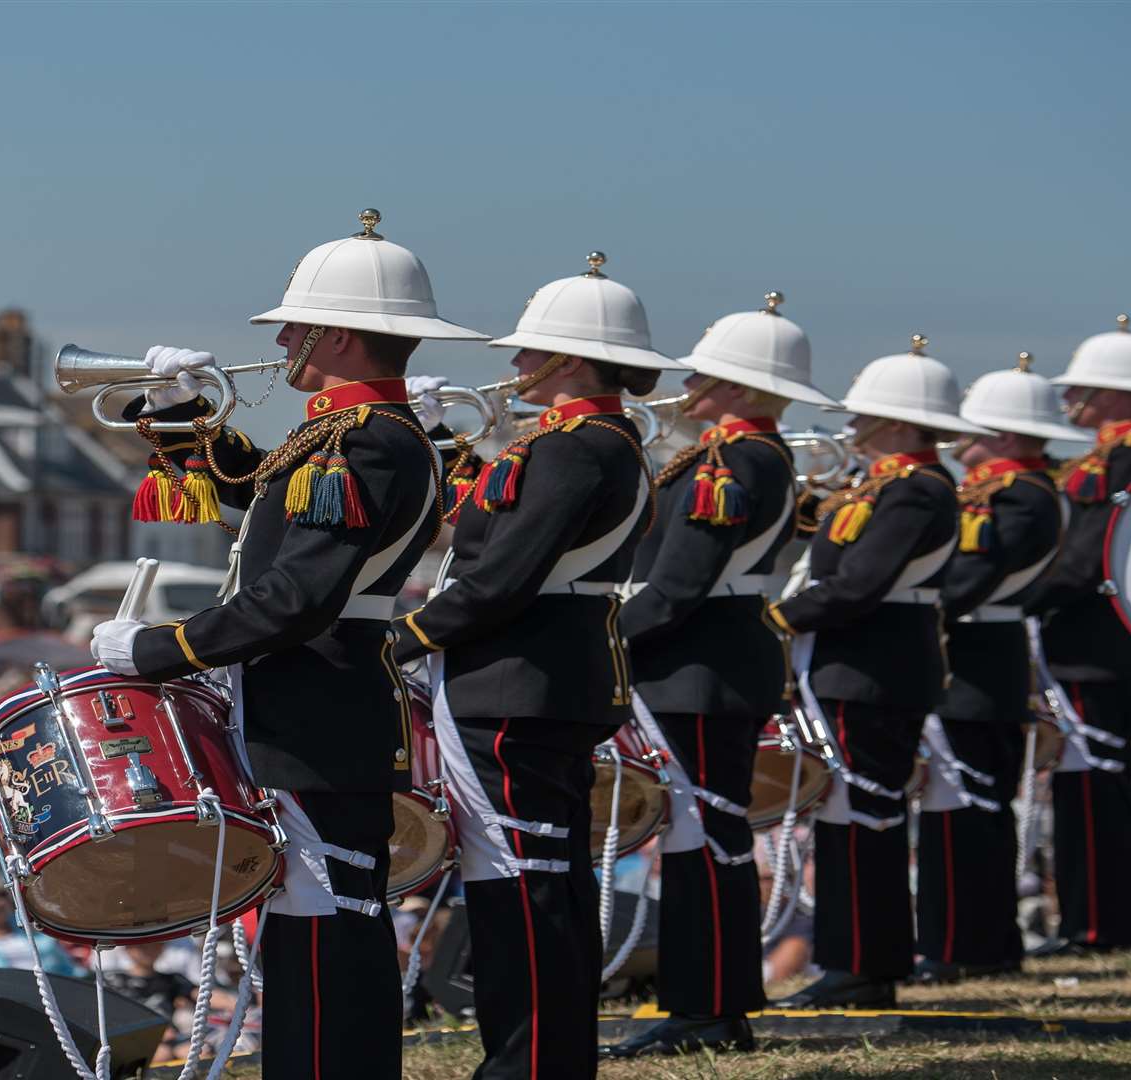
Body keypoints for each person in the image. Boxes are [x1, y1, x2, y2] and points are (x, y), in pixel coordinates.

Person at [89, 209, 476, 1080]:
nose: (286, 339)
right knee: (308, 913)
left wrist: (159, 650)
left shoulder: (372, 441)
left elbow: (296, 597)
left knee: (333, 914)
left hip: (322, 703)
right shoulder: (342, 434)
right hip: (309, 704)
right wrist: (183, 411)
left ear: (338, 335)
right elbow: (251, 497)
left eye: (297, 325)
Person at [392, 253, 664, 1078]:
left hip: (518, 676)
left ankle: (533, 1061)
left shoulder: (581, 446)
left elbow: (501, 578)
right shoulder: (574, 441)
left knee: (524, 879)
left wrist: (400, 639)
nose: (515, 366)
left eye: (530, 350)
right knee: (530, 873)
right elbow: (487, 540)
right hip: (529, 673)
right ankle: (536, 1056)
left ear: (570, 359)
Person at [602, 291, 835, 1058]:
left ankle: (705, 1007)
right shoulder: (741, 453)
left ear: (733, 385)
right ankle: (716, 1003)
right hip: (709, 658)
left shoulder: (733, 460)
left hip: (696, 661)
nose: (688, 386)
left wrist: (604, 644)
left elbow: (674, 590)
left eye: (702, 375)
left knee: (700, 837)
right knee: (708, 834)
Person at [765, 334, 983, 1007]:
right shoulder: (887, 483)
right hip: (855, 662)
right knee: (847, 816)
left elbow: (858, 585)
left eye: (864, 416)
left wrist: (773, 620)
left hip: (872, 663)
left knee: (863, 817)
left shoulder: (917, 489)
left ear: (895, 421)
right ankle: (853, 961)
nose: (853, 426)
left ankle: (861, 966)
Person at [1029, 315, 1131, 956]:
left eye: (1085, 390)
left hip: (1099, 646)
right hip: (1078, 645)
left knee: (1096, 789)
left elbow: (1091, 555)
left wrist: (1017, 597)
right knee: (1077, 789)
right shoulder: (1104, 455)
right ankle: (1082, 921)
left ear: (1119, 394)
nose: (1071, 401)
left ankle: (1097, 927)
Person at [912, 353, 1079, 983]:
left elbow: (965, 581)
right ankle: (972, 943)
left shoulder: (1018, 497)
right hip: (977, 656)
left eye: (972, 432)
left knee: (968, 816)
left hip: (978, 661)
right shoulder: (1010, 491)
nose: (960, 444)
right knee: (960, 814)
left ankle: (965, 947)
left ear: (1004, 436)